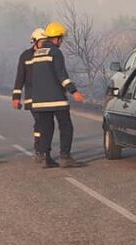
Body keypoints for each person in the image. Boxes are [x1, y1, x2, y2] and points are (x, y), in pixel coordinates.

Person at [30, 21, 85, 168]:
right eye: (61, 38)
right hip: (56, 99)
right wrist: (74, 91)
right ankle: (65, 156)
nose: (61, 41)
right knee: (66, 126)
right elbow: (62, 75)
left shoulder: (37, 53)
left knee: (46, 129)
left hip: (40, 101)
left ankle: (46, 158)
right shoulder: (55, 52)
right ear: (57, 38)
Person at [12, 28, 49, 163]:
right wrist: (16, 97)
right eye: (42, 41)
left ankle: (44, 151)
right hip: (33, 98)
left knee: (46, 124)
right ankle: (39, 150)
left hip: (47, 98)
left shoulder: (48, 54)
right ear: (35, 42)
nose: (44, 44)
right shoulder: (26, 56)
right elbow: (19, 78)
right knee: (40, 122)